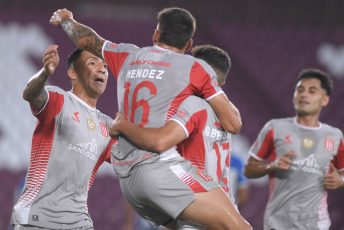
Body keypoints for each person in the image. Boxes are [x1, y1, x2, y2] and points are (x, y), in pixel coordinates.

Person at [50, 8, 251, 230]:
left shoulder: (127, 55)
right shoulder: (195, 68)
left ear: (156, 35)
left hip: (129, 182)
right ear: (188, 45)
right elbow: (233, 123)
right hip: (160, 169)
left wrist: (65, 20)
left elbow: (87, 40)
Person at [110, 44, 250, 229]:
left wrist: (123, 125)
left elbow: (159, 141)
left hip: (194, 203)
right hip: (222, 205)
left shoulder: (192, 105)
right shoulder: (226, 116)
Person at [11, 45, 116, 230]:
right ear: (73, 73)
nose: (102, 69)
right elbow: (31, 94)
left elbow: (134, 161)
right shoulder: (59, 99)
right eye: (93, 63)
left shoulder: (108, 126)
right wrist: (44, 73)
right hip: (39, 217)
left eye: (105, 67)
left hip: (78, 221)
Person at [243, 69, 344, 230]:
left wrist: (340, 180)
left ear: (325, 99)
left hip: (317, 225)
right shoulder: (274, 128)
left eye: (312, 91)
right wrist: (272, 166)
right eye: (300, 90)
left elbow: (342, 172)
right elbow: (249, 169)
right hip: (278, 224)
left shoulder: (334, 135)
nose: (303, 95)